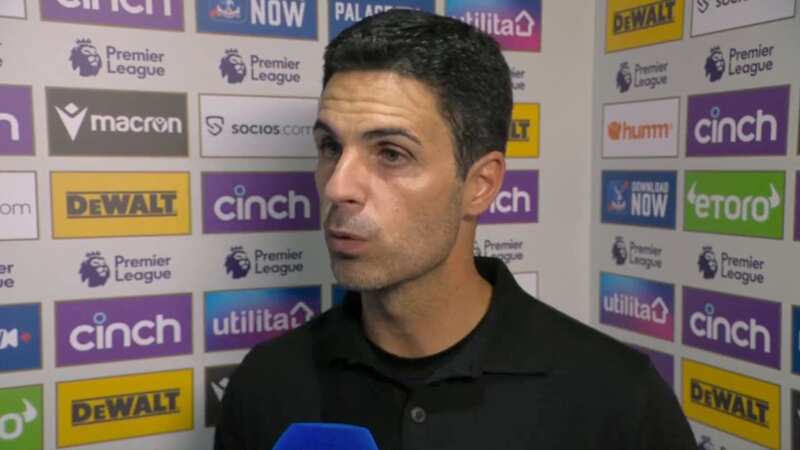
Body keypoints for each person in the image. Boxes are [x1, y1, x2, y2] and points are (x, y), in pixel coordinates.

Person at [214, 9, 697, 450]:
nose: (338, 186)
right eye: (330, 147)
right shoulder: (267, 384)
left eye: (390, 153)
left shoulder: (615, 397)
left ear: (480, 185)